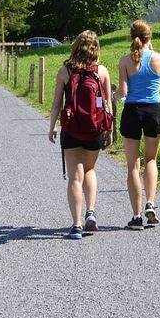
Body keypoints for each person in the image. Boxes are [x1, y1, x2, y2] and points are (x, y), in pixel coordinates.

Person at [48, 31, 114, 240]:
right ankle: (91, 213)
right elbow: (108, 105)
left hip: (71, 129)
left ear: (75, 46)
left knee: (75, 176)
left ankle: (76, 225)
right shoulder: (101, 71)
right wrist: (109, 130)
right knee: (90, 170)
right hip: (94, 129)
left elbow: (57, 104)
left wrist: (52, 127)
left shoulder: (64, 71)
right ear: (96, 48)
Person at [117, 20, 160, 230]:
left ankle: (136, 216)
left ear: (132, 37)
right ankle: (151, 203)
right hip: (154, 110)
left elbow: (123, 92)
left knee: (133, 166)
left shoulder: (125, 61)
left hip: (132, 112)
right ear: (150, 37)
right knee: (151, 160)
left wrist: (113, 95)